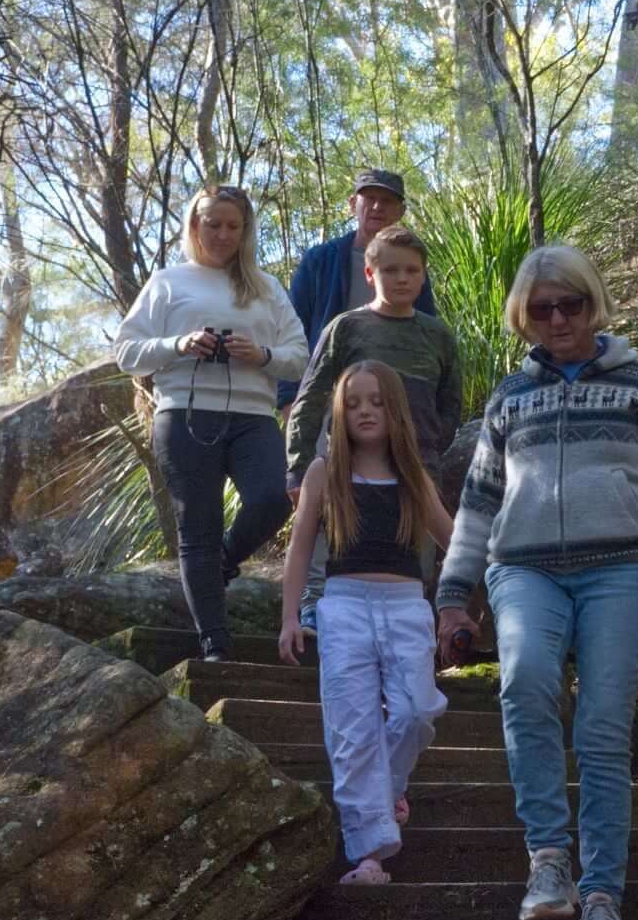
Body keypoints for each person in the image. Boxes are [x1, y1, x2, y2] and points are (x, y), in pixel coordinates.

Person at [434, 244, 638, 920]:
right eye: (543, 308)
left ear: (592, 303)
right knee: (527, 682)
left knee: (602, 726)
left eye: (571, 303)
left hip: (622, 572)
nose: (559, 318)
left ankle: (602, 893)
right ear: (525, 317)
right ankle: (548, 861)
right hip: (525, 570)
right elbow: (477, 505)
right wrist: (454, 596)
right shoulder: (511, 397)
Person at [277, 362, 456, 884]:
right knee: (353, 731)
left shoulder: (411, 476)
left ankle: (390, 789)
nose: (364, 411)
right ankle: (371, 854)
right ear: (339, 412)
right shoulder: (323, 472)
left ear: (394, 408)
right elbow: (300, 547)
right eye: (353, 403)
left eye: (375, 401)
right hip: (344, 607)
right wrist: (290, 616)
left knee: (416, 711)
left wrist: (468, 596)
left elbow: (455, 541)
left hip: (405, 606)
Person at [111, 186, 307, 661]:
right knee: (196, 527)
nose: (221, 234)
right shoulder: (167, 281)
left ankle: (220, 561)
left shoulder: (265, 285)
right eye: (212, 224)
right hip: (182, 413)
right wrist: (178, 345)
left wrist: (260, 355)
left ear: (245, 232)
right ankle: (215, 643)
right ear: (194, 226)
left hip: (252, 415)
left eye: (232, 226)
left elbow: (300, 358)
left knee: (271, 497)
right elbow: (125, 352)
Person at [285, 225, 468, 487]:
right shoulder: (345, 328)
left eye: (412, 270)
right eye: (391, 270)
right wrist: (298, 472)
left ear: (423, 276)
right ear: (370, 274)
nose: (402, 278)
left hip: (420, 472)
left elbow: (450, 405)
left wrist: (428, 447)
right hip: (351, 473)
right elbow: (311, 399)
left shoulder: (439, 335)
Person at [281, 166, 436, 405]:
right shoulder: (321, 261)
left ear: (401, 211)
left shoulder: (413, 267)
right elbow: (292, 330)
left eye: (386, 200)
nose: (377, 207)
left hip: (395, 399)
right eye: (370, 198)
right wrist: (288, 401)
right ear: (353, 204)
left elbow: (426, 336)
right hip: (327, 398)